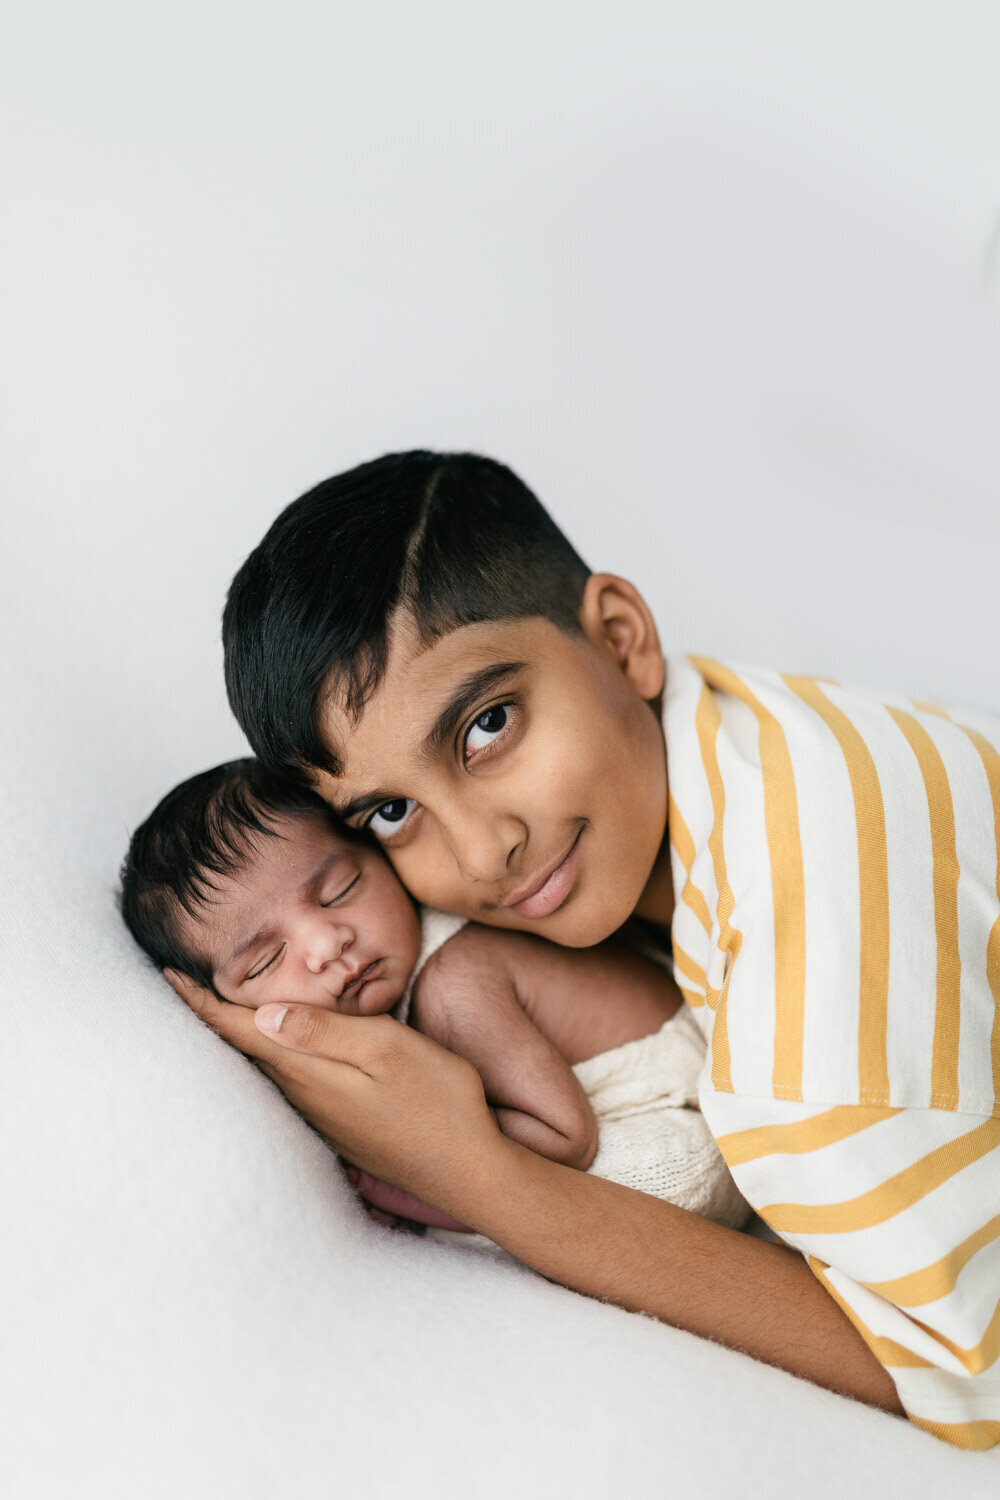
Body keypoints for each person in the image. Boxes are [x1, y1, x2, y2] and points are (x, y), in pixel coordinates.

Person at [168, 450, 1000, 1447]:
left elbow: (959, 1373)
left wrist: (477, 1176)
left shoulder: (808, 1007)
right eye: (391, 811)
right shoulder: (732, 740)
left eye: (487, 726)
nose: (481, 850)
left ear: (621, 639)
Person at [122, 758, 749, 1234]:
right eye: (264, 959)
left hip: (690, 1136)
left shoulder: (455, 980)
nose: (326, 943)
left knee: (536, 1215)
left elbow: (564, 1139)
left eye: (340, 889)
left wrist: (400, 1183)